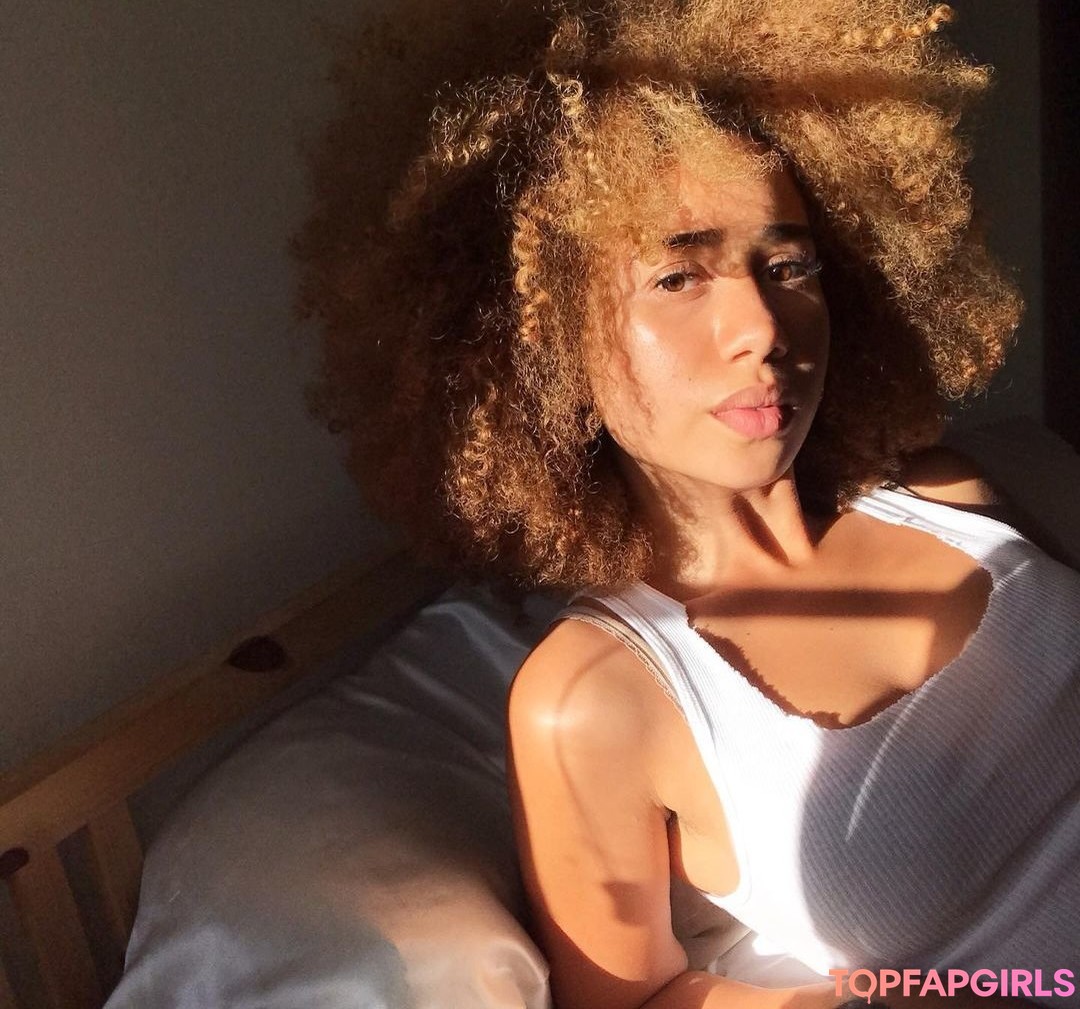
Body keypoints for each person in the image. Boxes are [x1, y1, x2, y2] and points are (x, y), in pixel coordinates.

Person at [295, 2, 1080, 1008]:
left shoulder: (949, 492)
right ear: (544, 344)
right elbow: (632, 999)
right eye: (677, 276)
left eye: (788, 265)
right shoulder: (594, 699)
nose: (763, 325)